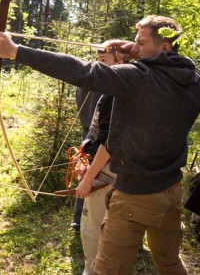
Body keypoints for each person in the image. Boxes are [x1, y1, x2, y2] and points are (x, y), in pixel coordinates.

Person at [0, 15, 200, 274]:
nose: (134, 47)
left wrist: (16, 51)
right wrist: (134, 47)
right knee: (169, 263)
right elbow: (164, 61)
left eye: (140, 42)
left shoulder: (138, 78)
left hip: (136, 196)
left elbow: (83, 71)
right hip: (172, 191)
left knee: (107, 270)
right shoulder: (193, 77)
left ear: (164, 47)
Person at [75, 45, 123, 275]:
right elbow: (95, 129)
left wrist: (88, 177)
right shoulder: (107, 84)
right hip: (100, 158)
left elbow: (109, 142)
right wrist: (85, 149)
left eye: (106, 59)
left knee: (94, 226)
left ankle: (93, 269)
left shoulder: (119, 91)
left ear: (120, 59)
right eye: (99, 59)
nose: (100, 65)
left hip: (108, 168)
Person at [72, 52, 105, 232]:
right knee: (87, 175)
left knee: (86, 175)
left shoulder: (88, 75)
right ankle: (80, 221)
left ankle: (78, 222)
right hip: (95, 135)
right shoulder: (104, 79)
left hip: (89, 133)